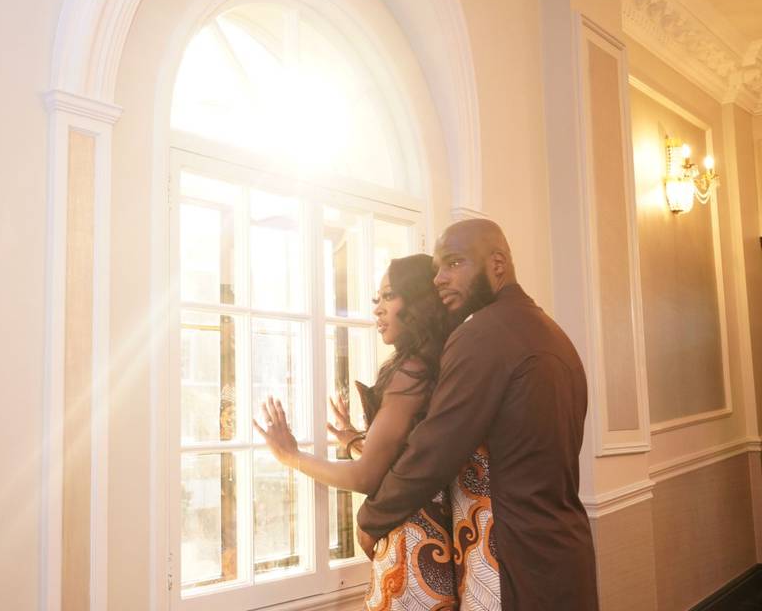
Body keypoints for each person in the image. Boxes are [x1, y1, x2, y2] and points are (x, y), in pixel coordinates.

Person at [356, 219, 598, 611]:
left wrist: (372, 517)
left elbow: (434, 449)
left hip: (514, 558)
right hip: (565, 550)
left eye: (454, 263)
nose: (439, 278)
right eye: (436, 268)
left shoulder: (482, 335)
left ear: (497, 264)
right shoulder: (552, 332)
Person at [254, 254, 461, 610]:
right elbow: (404, 459)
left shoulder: (411, 370)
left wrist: (291, 456)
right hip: (435, 547)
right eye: (375, 300)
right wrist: (353, 439)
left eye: (389, 296)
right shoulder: (438, 363)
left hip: (410, 547)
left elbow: (367, 477)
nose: (378, 309)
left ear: (418, 299)